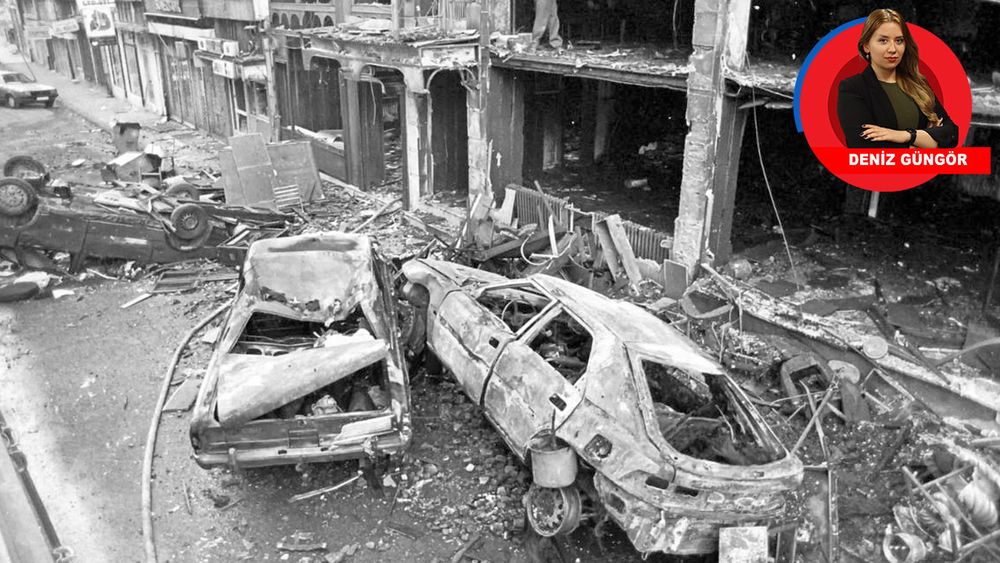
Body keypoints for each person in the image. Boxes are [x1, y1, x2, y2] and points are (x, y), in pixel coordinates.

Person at [837, 9, 958, 149]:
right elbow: (863, 147)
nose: (893, 49)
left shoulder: (919, 84)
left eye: (899, 41)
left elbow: (952, 134)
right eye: (883, 41)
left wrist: (906, 136)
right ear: (866, 46)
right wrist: (925, 141)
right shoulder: (853, 87)